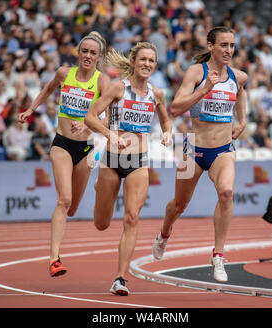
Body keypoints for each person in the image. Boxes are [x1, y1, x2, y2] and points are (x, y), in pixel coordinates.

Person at [152, 26, 248, 282]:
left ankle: (218, 255)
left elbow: (241, 92)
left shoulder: (238, 76)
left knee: (226, 193)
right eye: (223, 45)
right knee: (179, 205)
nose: (228, 50)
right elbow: (174, 108)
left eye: (231, 45)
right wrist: (203, 90)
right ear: (210, 46)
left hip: (223, 149)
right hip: (193, 146)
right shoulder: (196, 72)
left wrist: (243, 120)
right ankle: (164, 232)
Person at [18, 31, 111, 277]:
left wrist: (90, 123)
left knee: (72, 209)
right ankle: (54, 258)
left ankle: (97, 185)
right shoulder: (64, 73)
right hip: (61, 143)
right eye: (84, 51)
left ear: (99, 57)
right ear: (78, 53)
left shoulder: (102, 82)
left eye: (93, 53)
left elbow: (108, 116)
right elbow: (48, 89)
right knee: (64, 200)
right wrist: (31, 110)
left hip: (87, 148)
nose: (88, 56)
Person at [84, 42, 172, 295]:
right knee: (101, 223)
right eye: (143, 59)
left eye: (151, 61)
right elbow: (90, 117)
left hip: (138, 162)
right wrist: (110, 135)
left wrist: (167, 134)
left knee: (132, 217)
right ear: (133, 62)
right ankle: (99, 187)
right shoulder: (118, 88)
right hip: (112, 160)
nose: (147, 64)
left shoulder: (157, 94)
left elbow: (166, 122)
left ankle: (120, 278)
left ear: (155, 65)